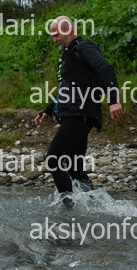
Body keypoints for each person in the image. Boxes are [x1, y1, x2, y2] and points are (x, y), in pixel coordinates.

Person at [35, 16, 123, 207]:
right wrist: (48, 110)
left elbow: (106, 69)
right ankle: (98, 205)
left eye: (56, 35)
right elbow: (67, 87)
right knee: (75, 168)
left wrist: (113, 100)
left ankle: (69, 208)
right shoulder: (68, 53)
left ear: (68, 31)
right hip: (75, 113)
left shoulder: (83, 48)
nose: (54, 40)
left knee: (53, 160)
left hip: (80, 113)